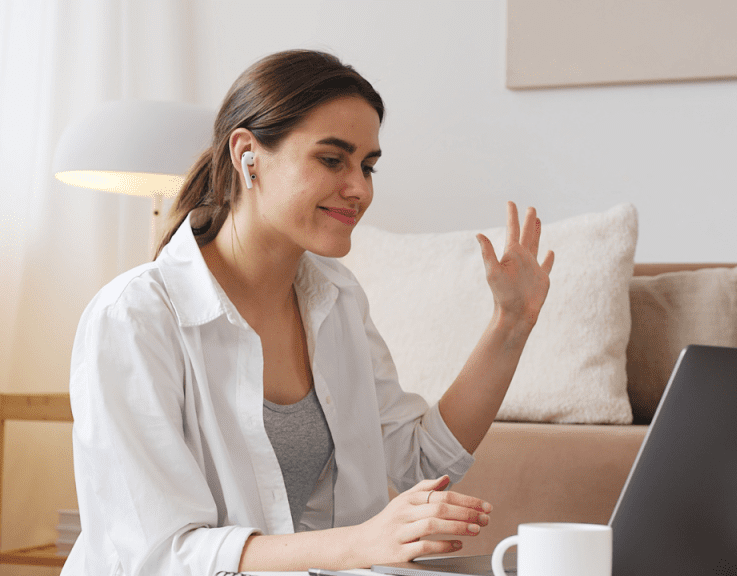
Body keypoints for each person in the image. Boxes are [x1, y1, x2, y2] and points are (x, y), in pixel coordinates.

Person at [62, 50, 554, 575]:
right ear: (247, 153)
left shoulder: (337, 298)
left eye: (367, 166)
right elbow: (161, 554)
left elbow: (419, 460)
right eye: (332, 159)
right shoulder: (134, 318)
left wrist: (511, 325)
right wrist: (360, 544)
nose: (360, 189)